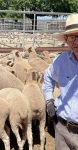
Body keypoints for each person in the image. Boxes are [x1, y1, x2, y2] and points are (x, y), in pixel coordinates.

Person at [42, 13, 78, 150]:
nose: (76, 42)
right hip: (63, 130)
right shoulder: (60, 61)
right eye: (72, 37)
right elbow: (48, 77)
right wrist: (49, 100)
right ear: (66, 39)